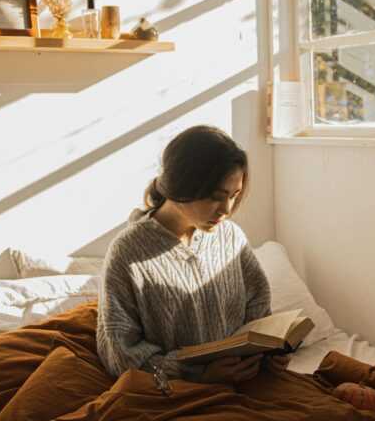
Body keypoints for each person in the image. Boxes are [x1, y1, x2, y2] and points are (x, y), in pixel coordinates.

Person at [96, 125, 290, 386]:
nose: (226, 209)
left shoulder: (230, 237)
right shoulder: (128, 252)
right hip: (181, 394)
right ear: (181, 185)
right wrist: (199, 376)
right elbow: (120, 352)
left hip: (249, 381)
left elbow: (259, 310)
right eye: (215, 197)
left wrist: (270, 354)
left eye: (234, 195)